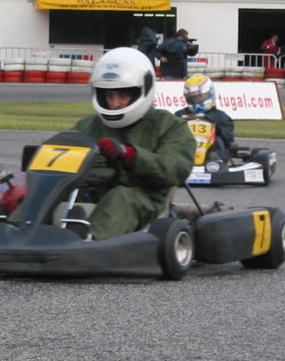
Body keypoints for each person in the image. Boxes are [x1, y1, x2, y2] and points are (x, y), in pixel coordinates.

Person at [69, 47, 195, 240]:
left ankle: (88, 239)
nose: (115, 104)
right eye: (109, 96)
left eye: (122, 96)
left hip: (143, 198)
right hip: (90, 192)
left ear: (142, 90)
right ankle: (13, 228)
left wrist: (130, 155)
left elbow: (174, 168)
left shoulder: (169, 126)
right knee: (49, 191)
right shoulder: (88, 125)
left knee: (121, 196)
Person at [175, 74, 234, 163]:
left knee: (218, 140)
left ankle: (216, 161)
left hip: (211, 154)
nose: (196, 100)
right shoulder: (179, 115)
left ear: (210, 93)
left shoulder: (221, 117)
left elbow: (228, 141)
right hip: (184, 155)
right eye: (192, 98)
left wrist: (215, 130)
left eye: (199, 96)